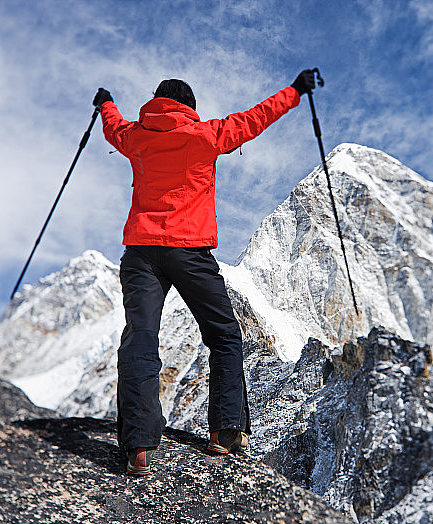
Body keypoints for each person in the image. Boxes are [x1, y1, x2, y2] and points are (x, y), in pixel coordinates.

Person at [93, 69, 316, 475]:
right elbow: (256, 118)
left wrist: (105, 102)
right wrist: (295, 91)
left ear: (156, 104)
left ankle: (138, 446)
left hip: (142, 252)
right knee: (225, 336)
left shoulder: (135, 137)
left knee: (141, 339)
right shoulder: (207, 135)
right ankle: (225, 432)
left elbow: (113, 127)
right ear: (190, 109)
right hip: (191, 252)